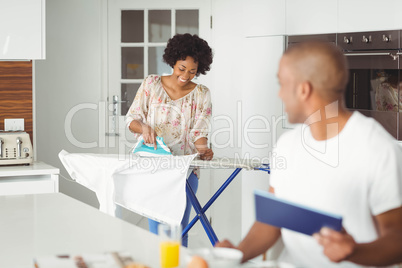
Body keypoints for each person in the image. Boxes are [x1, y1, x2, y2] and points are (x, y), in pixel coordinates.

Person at [216, 41, 402, 267]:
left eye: (282, 84)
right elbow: (270, 221)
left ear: (304, 89)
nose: (280, 93)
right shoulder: (287, 144)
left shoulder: (378, 149)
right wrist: (236, 254)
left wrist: (353, 251)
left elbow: (396, 240)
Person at [125, 33, 214, 247]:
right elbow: (131, 119)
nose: (186, 75)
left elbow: (198, 131)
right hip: (153, 167)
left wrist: (204, 150)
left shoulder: (201, 93)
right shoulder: (152, 84)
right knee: (158, 233)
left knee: (178, 232)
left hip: (185, 170)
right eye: (182, 68)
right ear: (173, 61)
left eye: (193, 71)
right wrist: (144, 127)